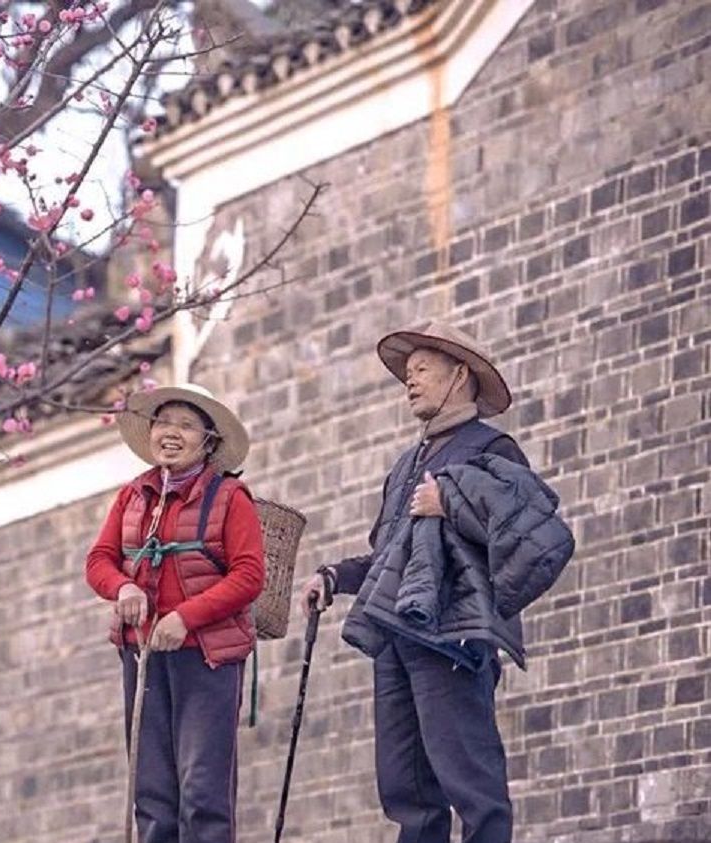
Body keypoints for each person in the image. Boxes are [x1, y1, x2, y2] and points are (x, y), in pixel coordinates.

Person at [300, 322, 537, 843]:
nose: (410, 382)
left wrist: (449, 503)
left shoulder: (494, 448)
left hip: (454, 636)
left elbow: (523, 535)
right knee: (407, 791)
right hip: (396, 636)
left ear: (460, 375)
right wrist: (335, 576)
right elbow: (389, 558)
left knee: (471, 782)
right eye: (407, 374)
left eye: (423, 370)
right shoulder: (406, 464)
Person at [85, 383, 265, 843]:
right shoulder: (133, 497)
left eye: (186, 426)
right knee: (152, 792)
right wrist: (122, 585)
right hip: (143, 656)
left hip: (205, 658)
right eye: (164, 423)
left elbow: (248, 576)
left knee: (203, 791)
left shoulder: (229, 497)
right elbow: (99, 561)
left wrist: (186, 616)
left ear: (208, 441)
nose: (172, 433)